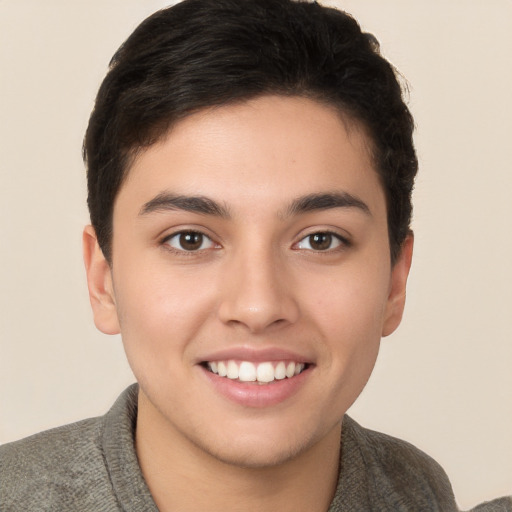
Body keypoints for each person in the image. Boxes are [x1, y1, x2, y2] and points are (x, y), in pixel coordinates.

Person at [0, 1, 510, 511]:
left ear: (396, 281)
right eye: (190, 239)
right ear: (103, 279)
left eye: (320, 240)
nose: (258, 306)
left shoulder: (421, 493)